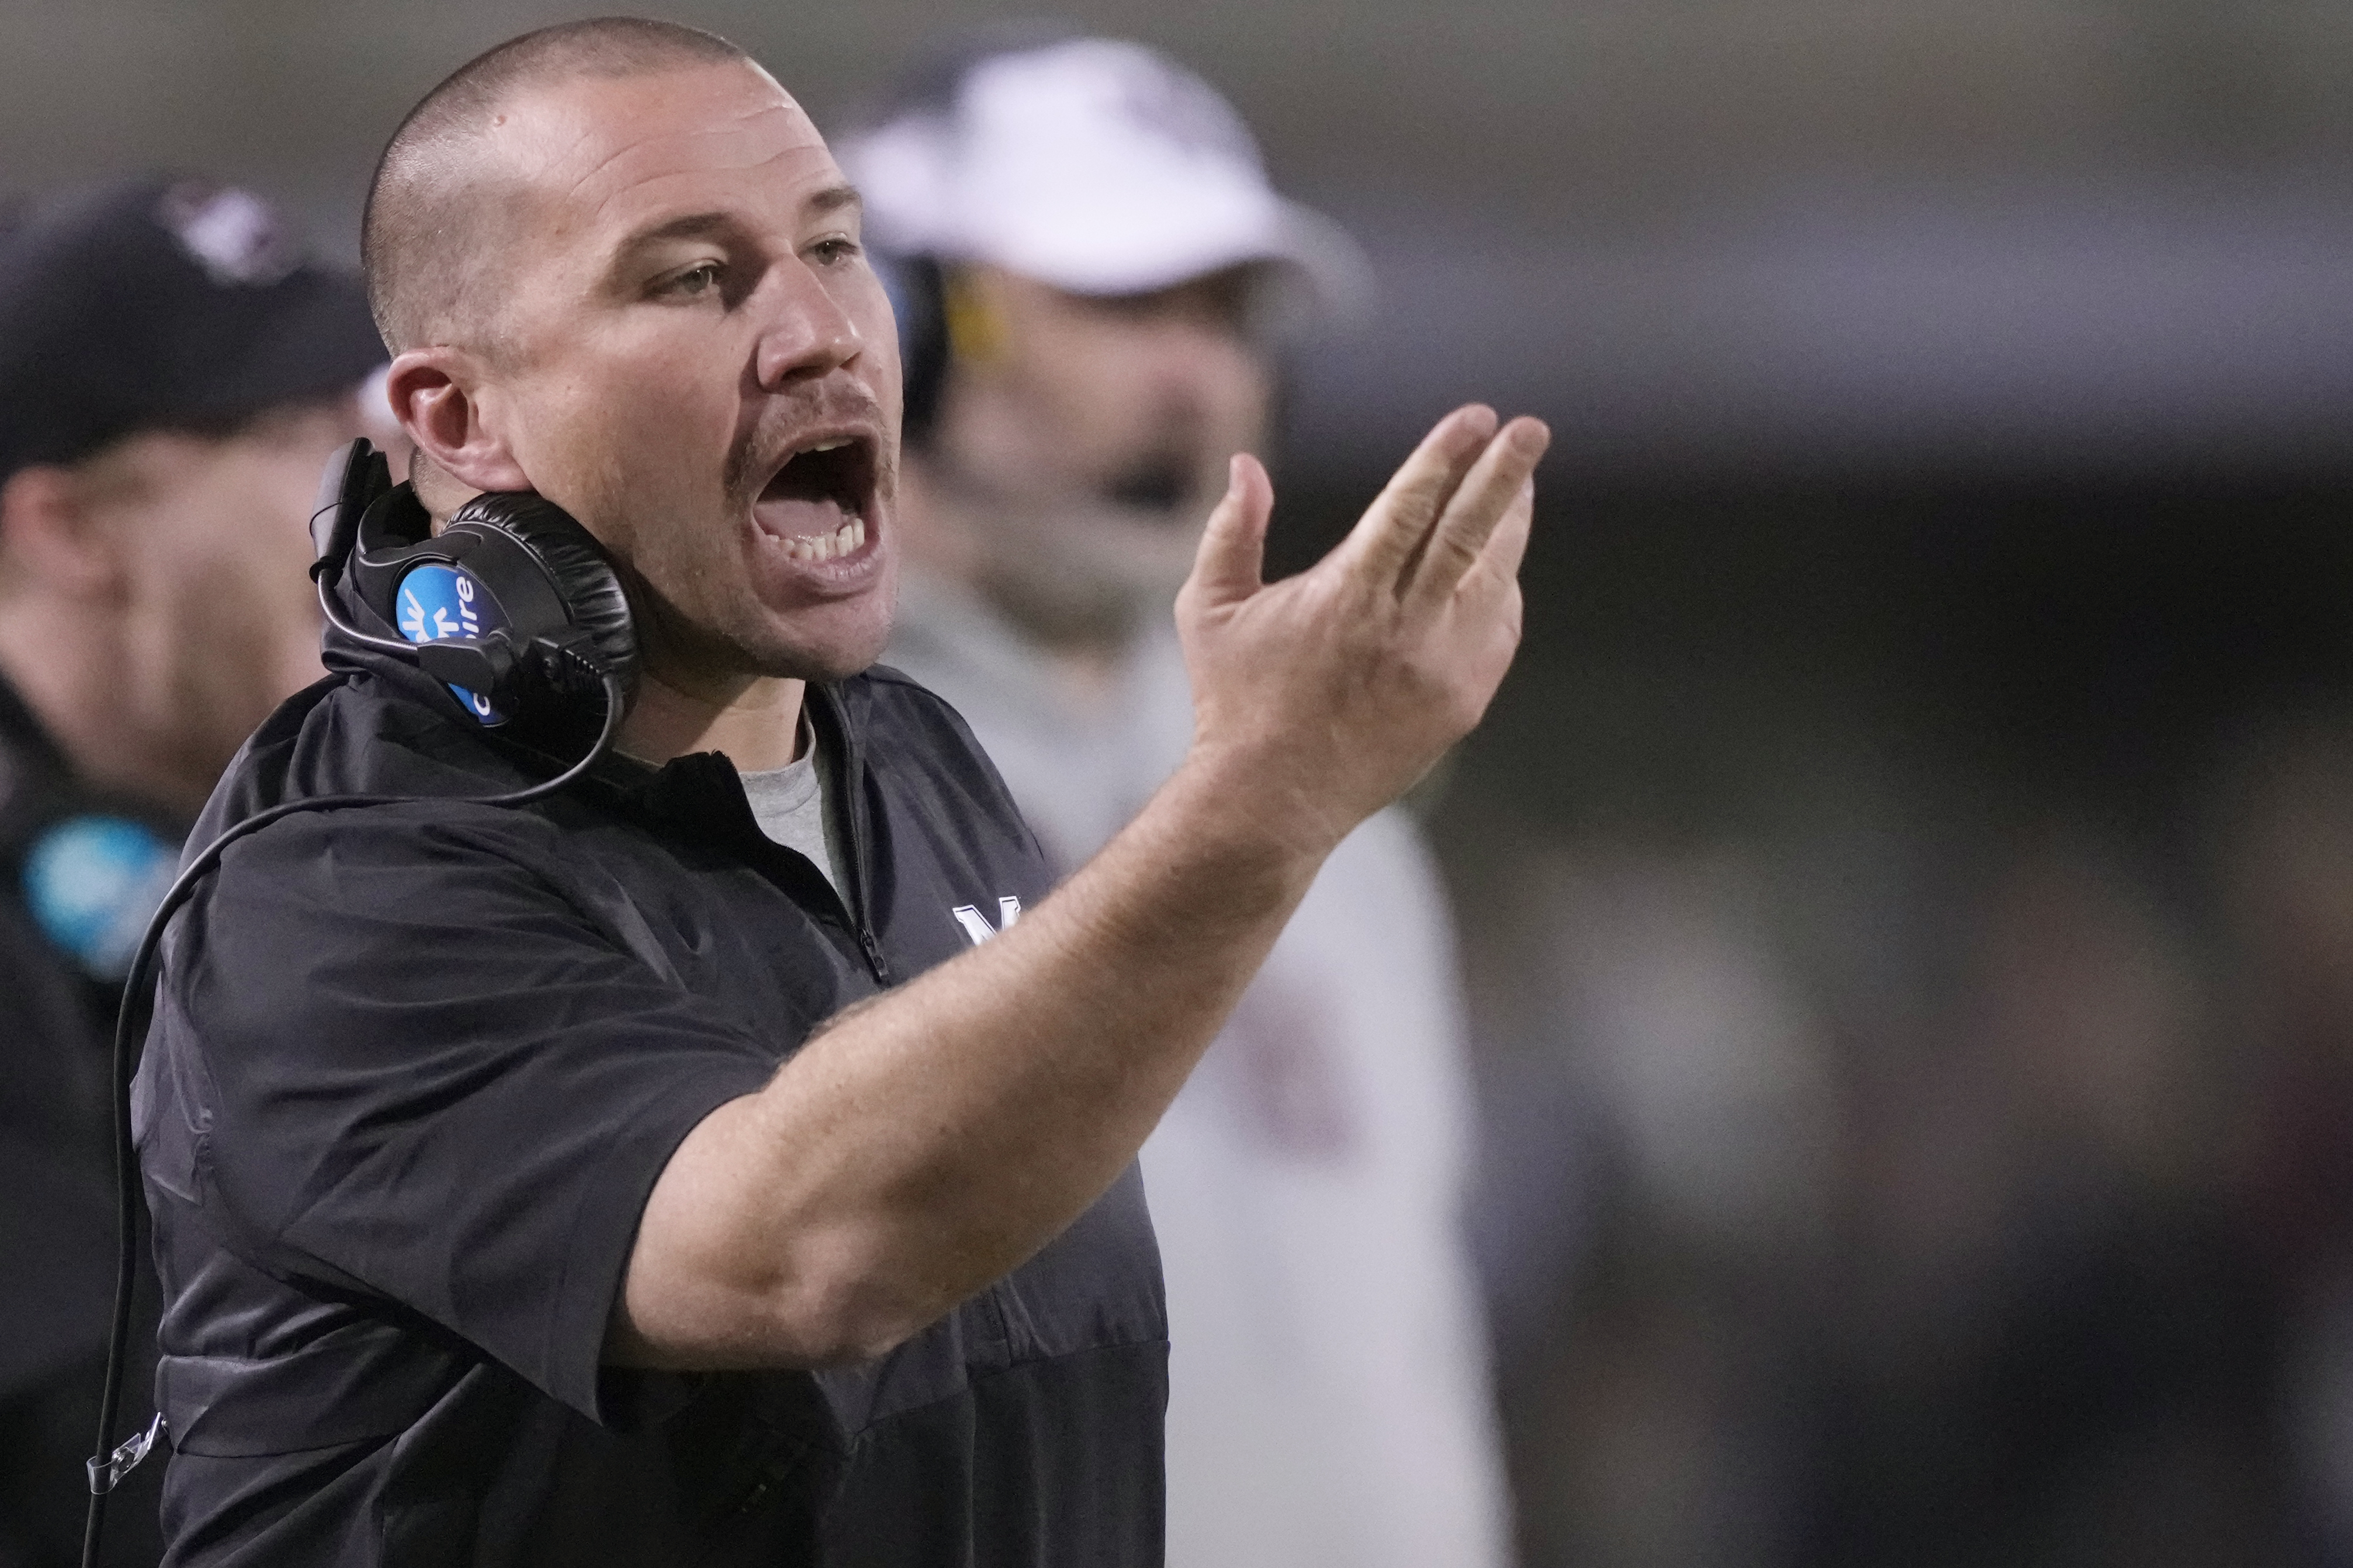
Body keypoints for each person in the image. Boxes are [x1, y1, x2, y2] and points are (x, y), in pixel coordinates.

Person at [133, 18, 1545, 1566]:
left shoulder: (913, 762)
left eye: (834, 251)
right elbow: (808, 1257)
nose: (819, 331)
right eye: (691, 276)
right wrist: (1269, 798)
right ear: (460, 421)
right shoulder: (333, 879)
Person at [840, 33, 1513, 1566]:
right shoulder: (781, 770)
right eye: (1118, 299)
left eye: (1229, 312)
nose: (1192, 370)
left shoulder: (1350, 809)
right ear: (894, 319)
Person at [0, 174, 386, 1567]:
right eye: (289, 433)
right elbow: (83, 1475)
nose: (371, 483)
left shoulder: (294, 830)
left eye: (361, 415)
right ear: (70, 533)